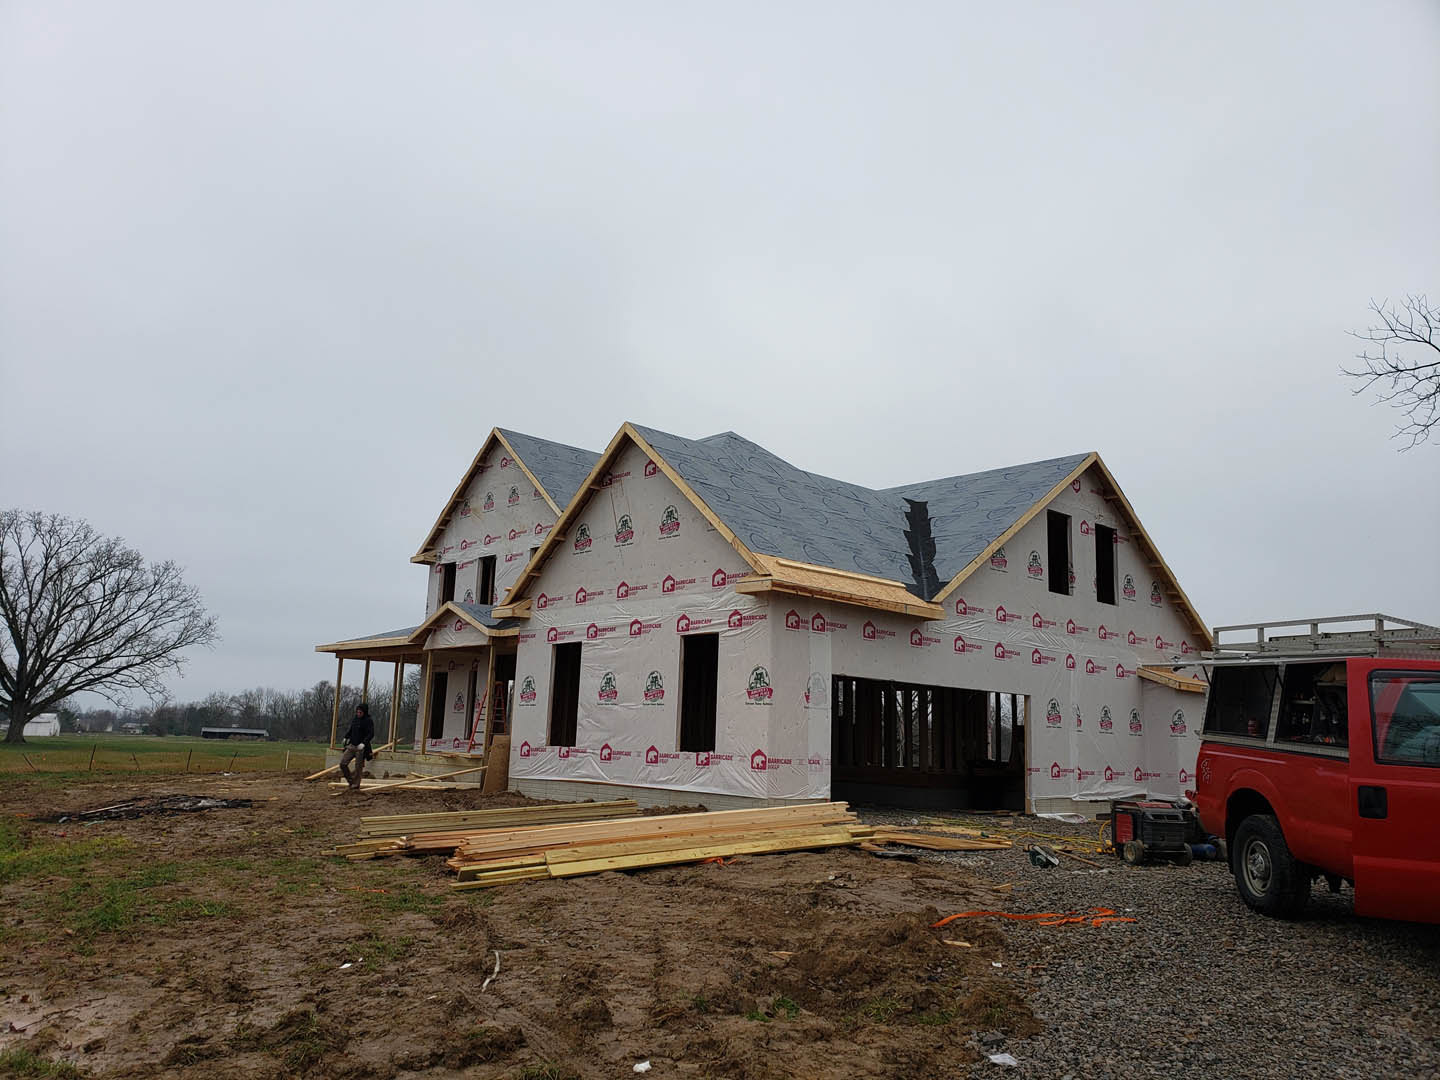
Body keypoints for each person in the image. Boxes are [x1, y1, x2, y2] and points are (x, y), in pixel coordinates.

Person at [338, 703, 375, 791]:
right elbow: (351, 730)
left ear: (364, 712)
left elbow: (371, 734)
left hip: (360, 748)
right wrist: (346, 737)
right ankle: (351, 781)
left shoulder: (368, 721)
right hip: (352, 745)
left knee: (358, 767)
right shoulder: (355, 719)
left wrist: (364, 743)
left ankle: (356, 785)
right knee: (343, 764)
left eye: (360, 712)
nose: (358, 714)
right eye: (357, 712)